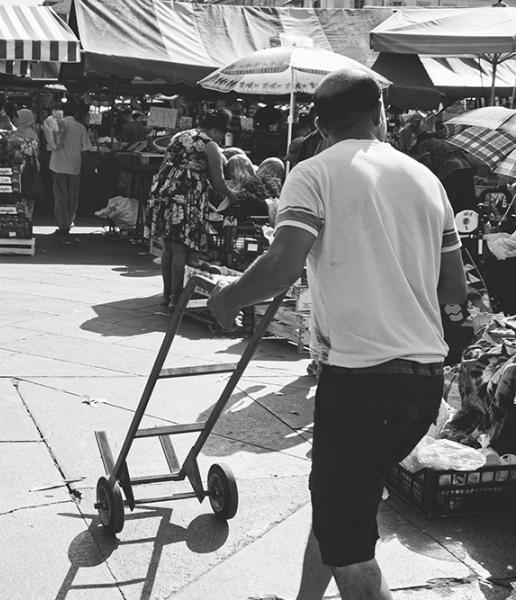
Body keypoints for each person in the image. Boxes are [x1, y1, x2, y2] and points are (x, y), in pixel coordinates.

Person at [206, 69, 467, 600]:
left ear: (319, 124)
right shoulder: (425, 179)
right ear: (380, 115)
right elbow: (454, 288)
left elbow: (281, 266)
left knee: (349, 545)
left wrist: (225, 299)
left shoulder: (312, 172)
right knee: (338, 507)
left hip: (362, 387)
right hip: (422, 385)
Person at [146, 109, 236, 309]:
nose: (221, 139)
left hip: (164, 192)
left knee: (168, 247)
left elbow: (163, 165)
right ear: (215, 130)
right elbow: (218, 181)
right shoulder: (209, 145)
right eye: (222, 134)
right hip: (186, 197)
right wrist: (233, 195)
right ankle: (175, 298)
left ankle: (166, 294)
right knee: (180, 250)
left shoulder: (179, 136)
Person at [50, 102, 92, 237]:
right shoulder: (80, 127)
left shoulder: (56, 125)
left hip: (57, 165)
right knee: (72, 196)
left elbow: (49, 145)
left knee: (60, 196)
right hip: (74, 165)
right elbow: (86, 148)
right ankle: (69, 221)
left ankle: (62, 224)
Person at [13, 108, 41, 220]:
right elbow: (36, 154)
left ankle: (19, 219)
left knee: (19, 193)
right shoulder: (33, 135)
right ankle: (27, 219)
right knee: (28, 197)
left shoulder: (15, 133)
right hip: (29, 169)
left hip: (17, 169)